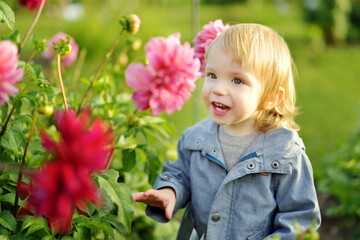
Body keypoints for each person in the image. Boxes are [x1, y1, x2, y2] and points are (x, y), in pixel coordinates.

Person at [132, 23, 321, 240]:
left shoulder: (286, 155)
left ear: (271, 97)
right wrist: (170, 192)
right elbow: (181, 175)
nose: (218, 89)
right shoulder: (196, 139)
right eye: (212, 75)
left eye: (237, 80)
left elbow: (300, 219)